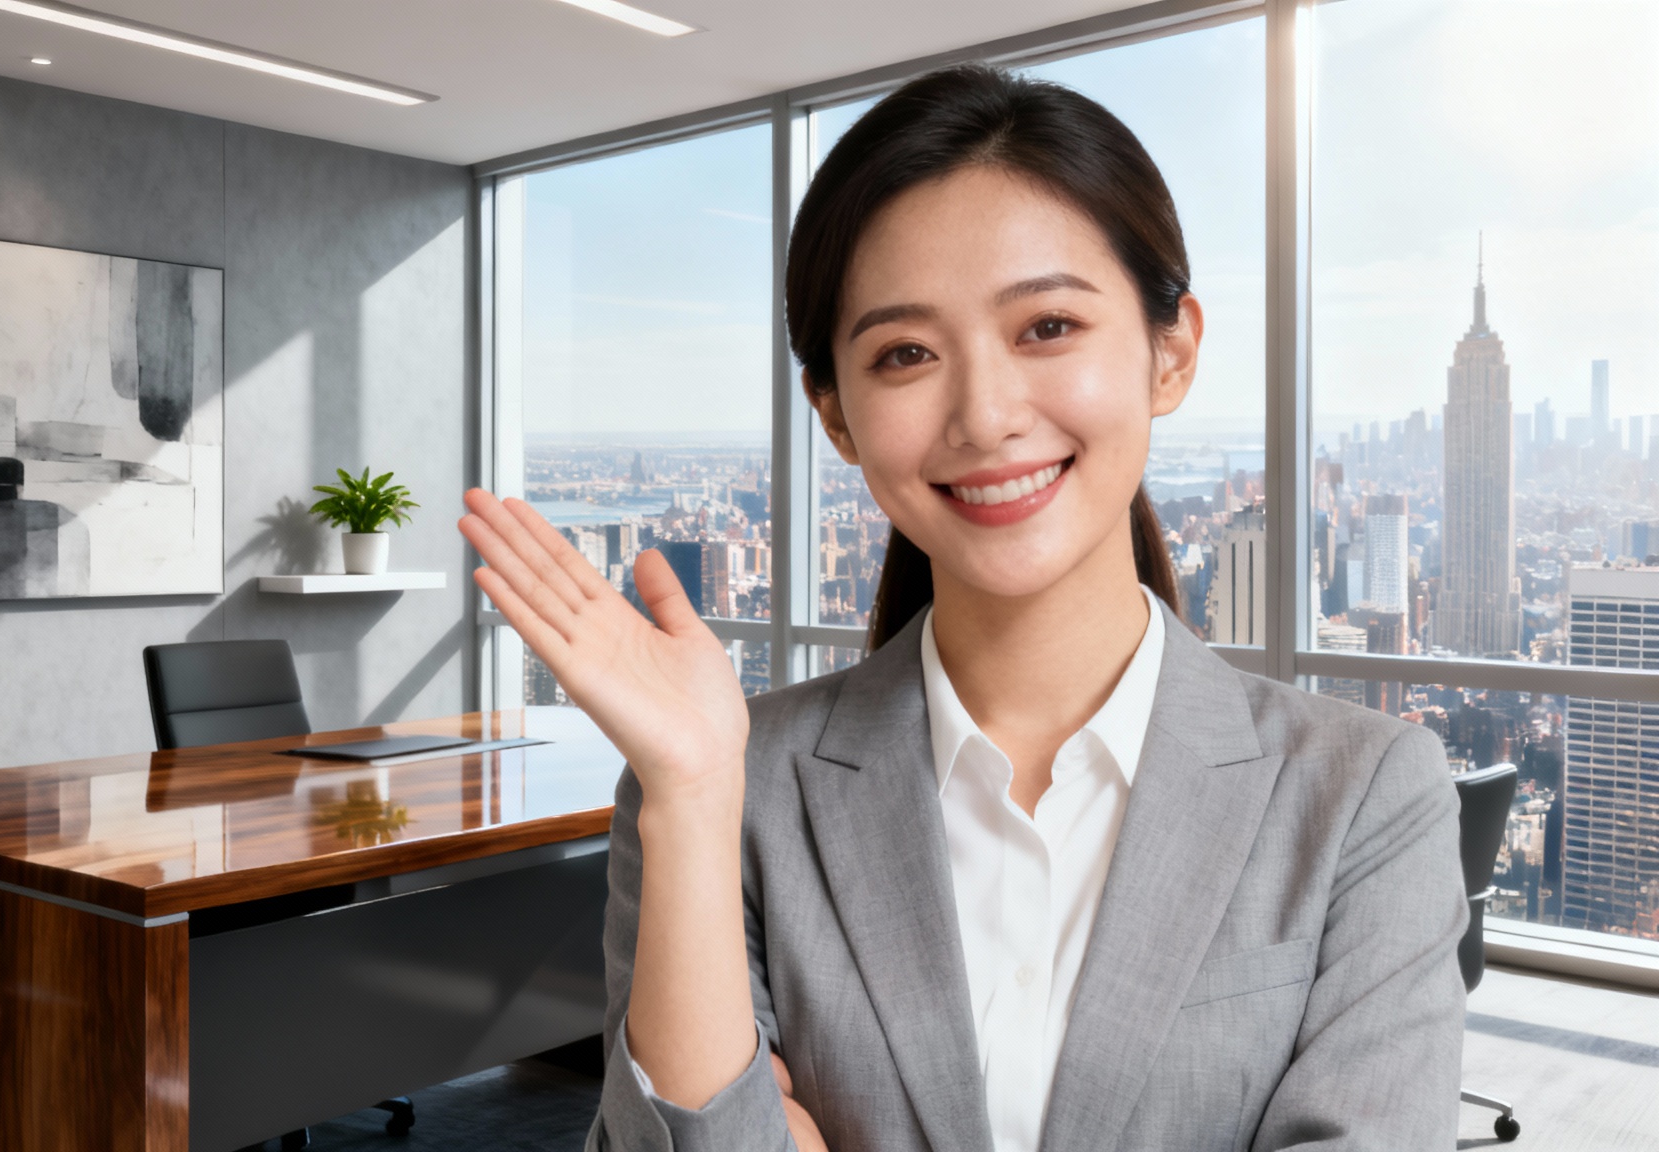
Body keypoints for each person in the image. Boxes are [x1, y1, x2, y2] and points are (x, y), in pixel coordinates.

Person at [457, 65, 1466, 1152]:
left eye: (1045, 327)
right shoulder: (724, 794)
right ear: (835, 416)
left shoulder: (1362, 795)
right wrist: (697, 798)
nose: (983, 415)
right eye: (904, 354)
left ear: (1168, 352)